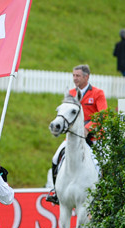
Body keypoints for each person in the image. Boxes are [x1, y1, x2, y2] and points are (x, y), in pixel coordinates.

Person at [46, 64, 107, 205]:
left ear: (87, 77)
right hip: (74, 137)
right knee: (56, 158)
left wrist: (87, 128)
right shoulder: (71, 94)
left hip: (94, 136)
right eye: (73, 75)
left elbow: (103, 115)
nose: (75, 78)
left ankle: (104, 190)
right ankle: (56, 191)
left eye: (78, 76)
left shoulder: (97, 93)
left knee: (104, 161)